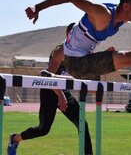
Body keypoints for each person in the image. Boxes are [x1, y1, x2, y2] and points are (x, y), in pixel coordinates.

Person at [7, 23, 93, 155]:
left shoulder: (79, 52)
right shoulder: (59, 51)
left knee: (82, 123)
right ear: (68, 35)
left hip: (63, 91)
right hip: (49, 90)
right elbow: (47, 76)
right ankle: (15, 139)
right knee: (43, 129)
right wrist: (59, 95)